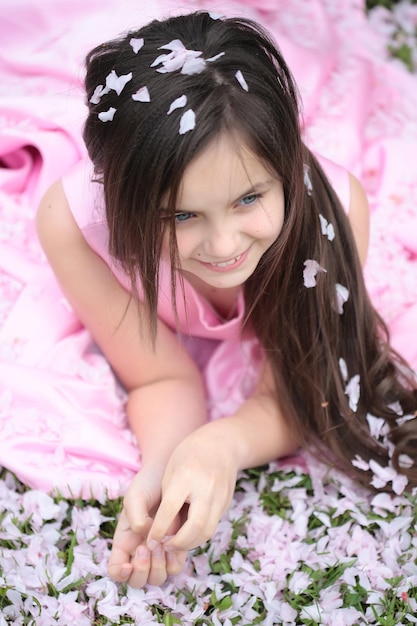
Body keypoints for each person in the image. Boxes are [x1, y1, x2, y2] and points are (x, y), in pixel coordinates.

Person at [36, 11, 417, 588]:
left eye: (249, 199)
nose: (223, 245)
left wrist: (222, 444)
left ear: (286, 167)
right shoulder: (74, 226)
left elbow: (303, 383)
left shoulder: (332, 212)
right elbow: (161, 376)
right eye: (181, 215)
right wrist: (163, 469)